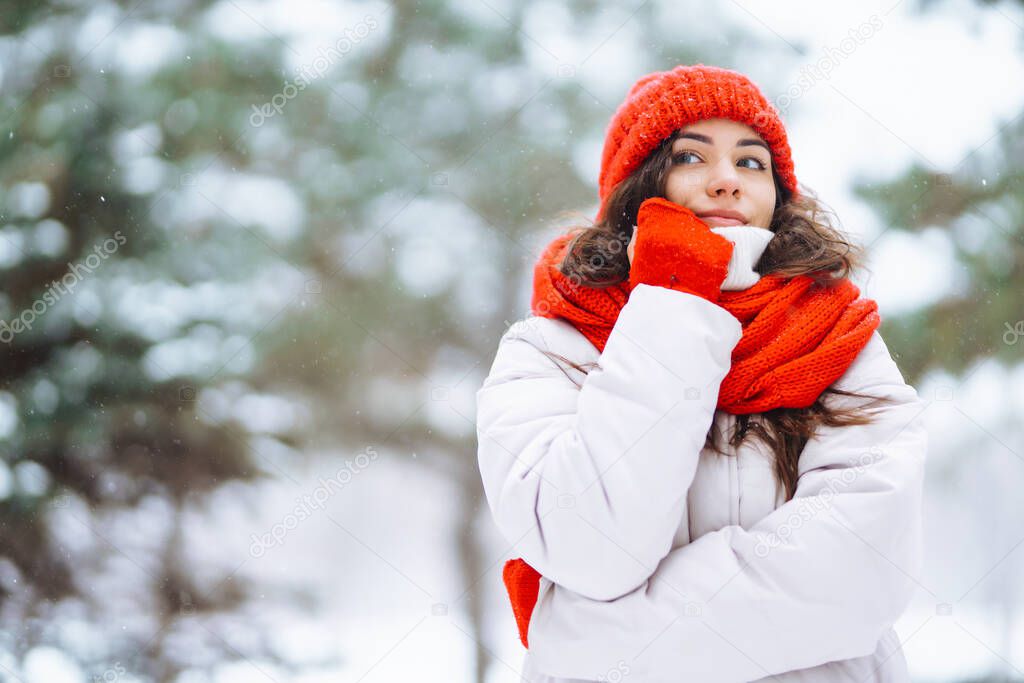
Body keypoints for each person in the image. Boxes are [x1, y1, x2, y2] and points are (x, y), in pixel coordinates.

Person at [474, 63, 928, 682]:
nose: (726, 182)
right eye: (691, 157)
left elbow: (857, 573)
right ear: (636, 187)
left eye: (750, 162)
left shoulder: (839, 338)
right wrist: (673, 301)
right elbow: (594, 547)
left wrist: (586, 641)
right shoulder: (551, 348)